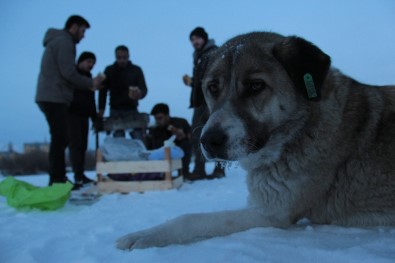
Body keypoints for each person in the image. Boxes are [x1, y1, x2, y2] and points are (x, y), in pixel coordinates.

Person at [35, 15, 104, 187]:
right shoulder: (65, 42)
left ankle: (58, 178)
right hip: (54, 97)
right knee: (61, 139)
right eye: (82, 31)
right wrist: (91, 83)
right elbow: (68, 72)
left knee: (61, 138)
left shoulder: (58, 41)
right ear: (73, 27)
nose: (83, 35)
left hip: (52, 96)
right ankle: (57, 180)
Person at [182, 26, 225, 180]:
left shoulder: (212, 53)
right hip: (201, 101)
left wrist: (193, 82)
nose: (195, 42)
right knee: (199, 134)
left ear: (204, 38)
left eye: (197, 38)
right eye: (192, 40)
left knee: (212, 132)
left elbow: (214, 78)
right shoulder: (200, 55)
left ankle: (217, 169)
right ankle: (204, 169)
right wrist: (193, 84)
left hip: (210, 102)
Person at [98, 45, 148, 139]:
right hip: (115, 109)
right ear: (115, 57)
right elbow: (102, 91)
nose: (122, 60)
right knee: (118, 138)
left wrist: (139, 94)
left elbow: (144, 88)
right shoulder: (109, 70)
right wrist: (101, 109)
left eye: (124, 57)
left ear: (128, 56)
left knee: (138, 137)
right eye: (119, 57)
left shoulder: (136, 70)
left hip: (132, 108)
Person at [67, 52, 98, 188]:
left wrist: (94, 117)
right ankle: (77, 176)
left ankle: (81, 175)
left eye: (93, 63)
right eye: (88, 61)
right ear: (80, 61)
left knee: (83, 146)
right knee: (75, 145)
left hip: (84, 116)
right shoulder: (72, 74)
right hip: (71, 114)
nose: (91, 65)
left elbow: (91, 99)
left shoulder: (89, 77)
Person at [147, 103, 192, 177]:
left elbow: (187, 136)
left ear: (167, 115)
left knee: (186, 143)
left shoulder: (180, 122)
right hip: (162, 155)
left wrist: (176, 131)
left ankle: (184, 173)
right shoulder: (155, 129)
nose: (157, 121)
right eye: (156, 119)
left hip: (179, 153)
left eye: (160, 118)